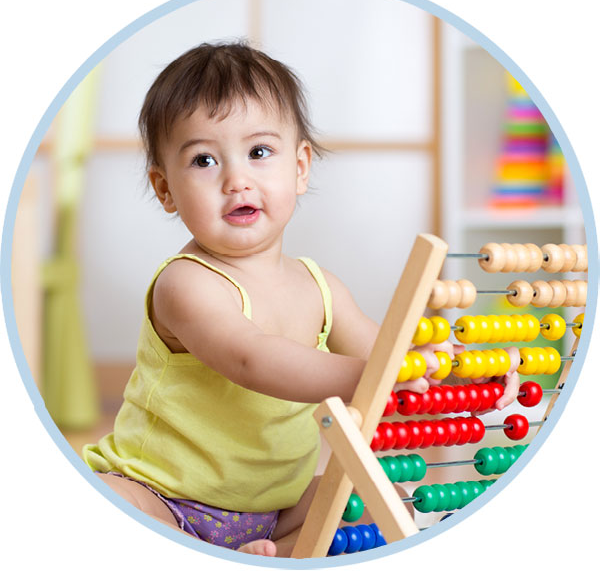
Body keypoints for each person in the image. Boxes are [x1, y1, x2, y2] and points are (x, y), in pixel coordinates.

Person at [83, 41, 520, 557]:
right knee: (108, 505)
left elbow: (392, 354)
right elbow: (252, 358)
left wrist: (465, 372)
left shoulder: (322, 287)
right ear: (166, 190)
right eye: (203, 160)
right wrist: (372, 375)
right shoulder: (186, 284)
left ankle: (272, 552)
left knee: (389, 501)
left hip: (276, 506)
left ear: (300, 168)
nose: (236, 179)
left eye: (259, 152)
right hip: (163, 494)